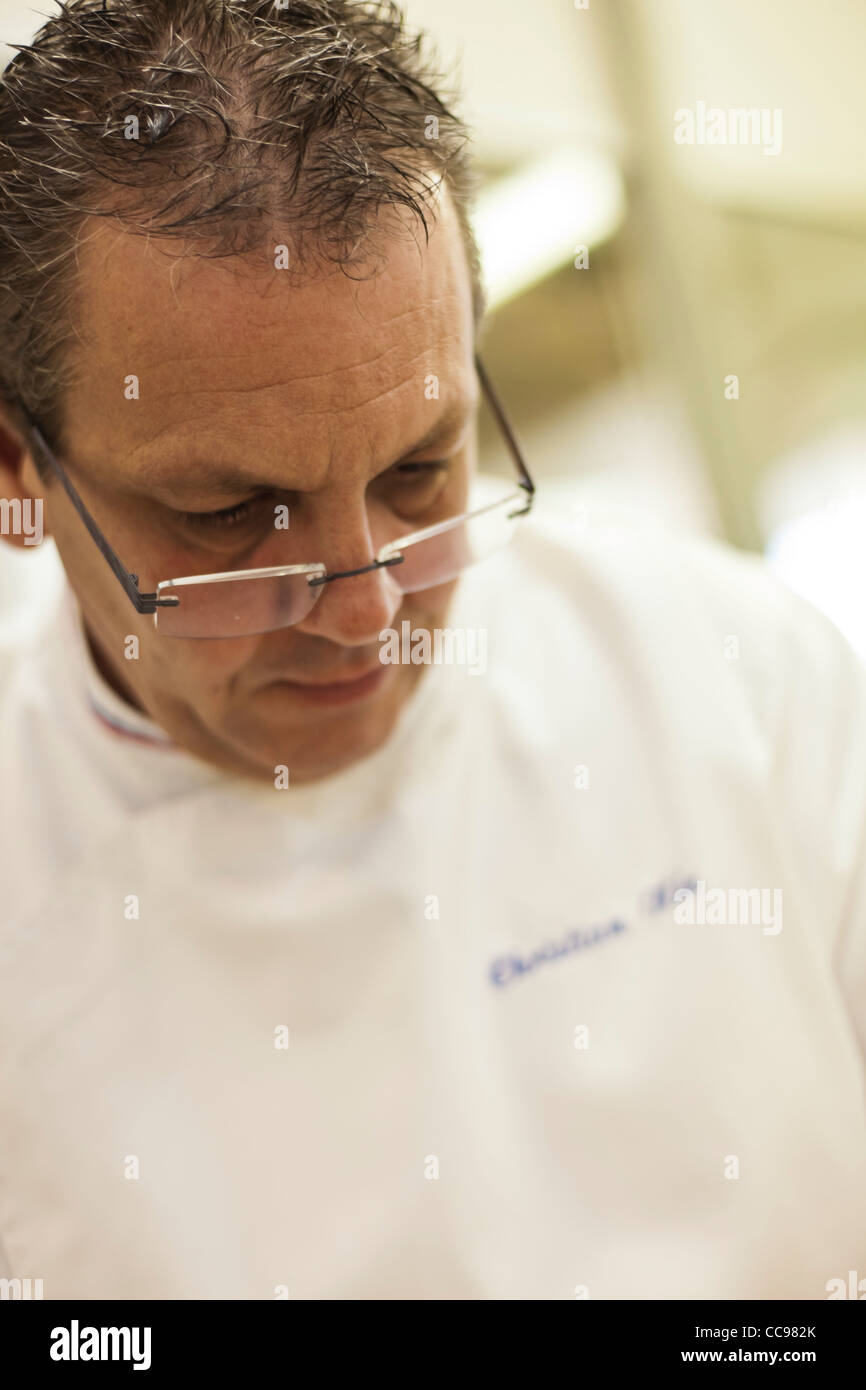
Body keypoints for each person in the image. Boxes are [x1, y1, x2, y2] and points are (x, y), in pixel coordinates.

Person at [0, 0, 864, 1302]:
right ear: (18, 471)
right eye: (230, 516)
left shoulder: (743, 684)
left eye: (419, 473)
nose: (365, 610)